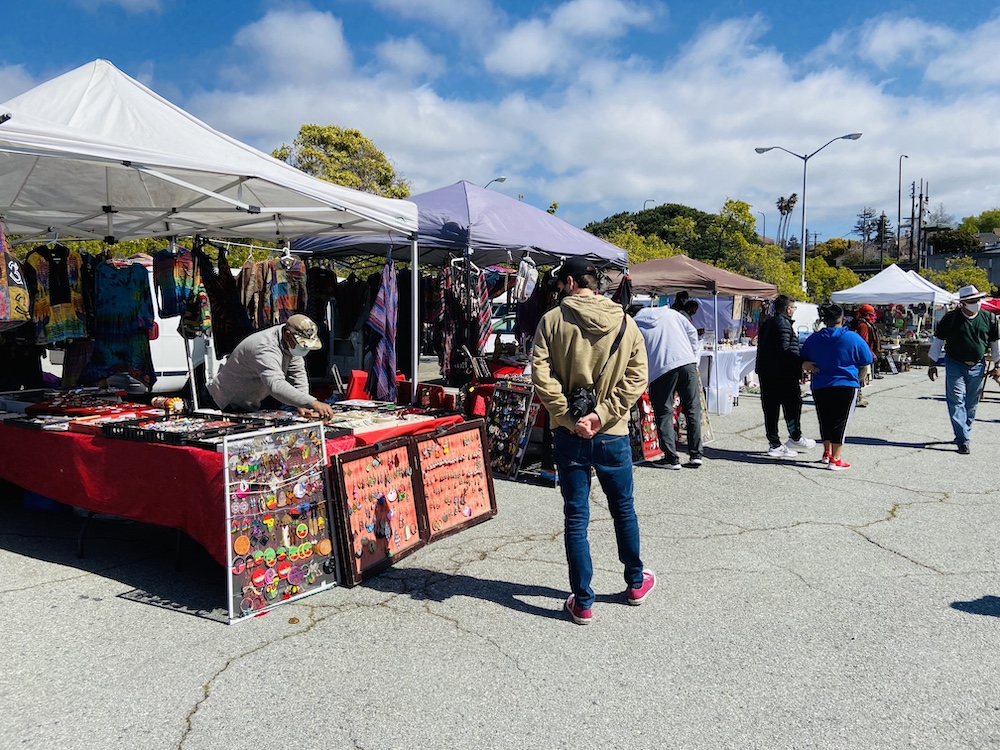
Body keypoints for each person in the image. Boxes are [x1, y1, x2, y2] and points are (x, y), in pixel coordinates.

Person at [531, 256, 655, 625]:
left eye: (559, 282)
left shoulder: (552, 321)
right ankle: (635, 582)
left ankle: (583, 601)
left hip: (568, 433)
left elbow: (541, 374)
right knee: (623, 509)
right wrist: (601, 415)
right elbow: (636, 378)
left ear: (569, 282)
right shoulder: (625, 321)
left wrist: (571, 417)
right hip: (611, 432)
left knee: (576, 516)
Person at [206, 313, 335, 419]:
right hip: (224, 403)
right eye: (302, 345)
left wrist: (302, 404)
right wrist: (312, 402)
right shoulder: (265, 347)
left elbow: (298, 374)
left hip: (248, 403)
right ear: (287, 335)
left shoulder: (290, 344)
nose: (303, 350)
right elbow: (276, 385)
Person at [926, 285, 1000, 454]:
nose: (977, 303)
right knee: (956, 400)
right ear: (963, 304)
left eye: (978, 300)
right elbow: (938, 343)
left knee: (971, 403)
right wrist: (932, 365)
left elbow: (996, 345)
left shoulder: (990, 319)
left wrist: (998, 366)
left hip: (978, 364)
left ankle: (963, 430)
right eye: (973, 301)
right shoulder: (950, 319)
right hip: (955, 363)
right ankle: (963, 440)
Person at [801, 304, 873, 471]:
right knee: (841, 421)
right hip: (845, 384)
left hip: (820, 384)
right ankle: (836, 458)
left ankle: (827, 453)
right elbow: (866, 358)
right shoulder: (852, 338)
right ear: (842, 319)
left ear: (824, 319)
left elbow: (803, 355)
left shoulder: (814, 338)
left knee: (825, 419)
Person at [634, 302, 704, 469]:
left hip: (660, 370)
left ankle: (671, 457)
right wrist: (692, 355)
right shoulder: (671, 314)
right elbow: (692, 332)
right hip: (687, 363)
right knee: (692, 409)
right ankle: (696, 454)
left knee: (664, 412)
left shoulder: (634, 324)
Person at [755, 295, 816, 458]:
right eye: (793, 308)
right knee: (791, 405)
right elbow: (785, 350)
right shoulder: (782, 324)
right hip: (780, 373)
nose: (794, 311)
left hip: (769, 372)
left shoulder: (768, 322)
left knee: (771, 408)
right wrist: (801, 363)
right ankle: (787, 439)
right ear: (788, 308)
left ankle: (780, 440)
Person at [851, 303, 882, 407]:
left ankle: (857, 397)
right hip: (861, 355)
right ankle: (857, 398)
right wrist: (869, 353)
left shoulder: (864, 324)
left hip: (862, 354)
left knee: (860, 377)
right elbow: (863, 342)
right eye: (872, 314)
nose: (874, 316)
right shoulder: (863, 325)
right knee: (859, 378)